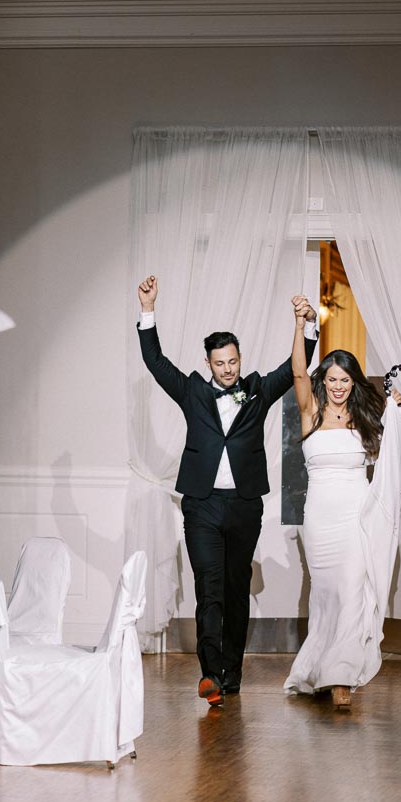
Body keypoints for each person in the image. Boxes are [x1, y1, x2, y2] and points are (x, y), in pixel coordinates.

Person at [137, 275, 318, 706]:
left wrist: (308, 325)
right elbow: (156, 362)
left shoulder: (256, 390)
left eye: (233, 362)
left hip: (244, 505)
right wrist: (148, 310)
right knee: (209, 587)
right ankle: (209, 675)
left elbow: (294, 368)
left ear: (239, 359)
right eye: (220, 364)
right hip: (200, 505)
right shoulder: (193, 392)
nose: (228, 369)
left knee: (237, 590)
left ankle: (231, 673)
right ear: (208, 363)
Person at [284, 297, 401, 709]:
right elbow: (299, 370)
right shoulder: (310, 412)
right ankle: (320, 667)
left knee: (355, 591)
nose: (338, 386)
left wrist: (398, 411)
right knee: (328, 595)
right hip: (319, 519)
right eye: (332, 379)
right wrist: (300, 325)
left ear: (354, 383)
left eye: (345, 380)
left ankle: (341, 680)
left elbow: (390, 461)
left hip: (357, 517)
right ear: (325, 382)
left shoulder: (365, 420)